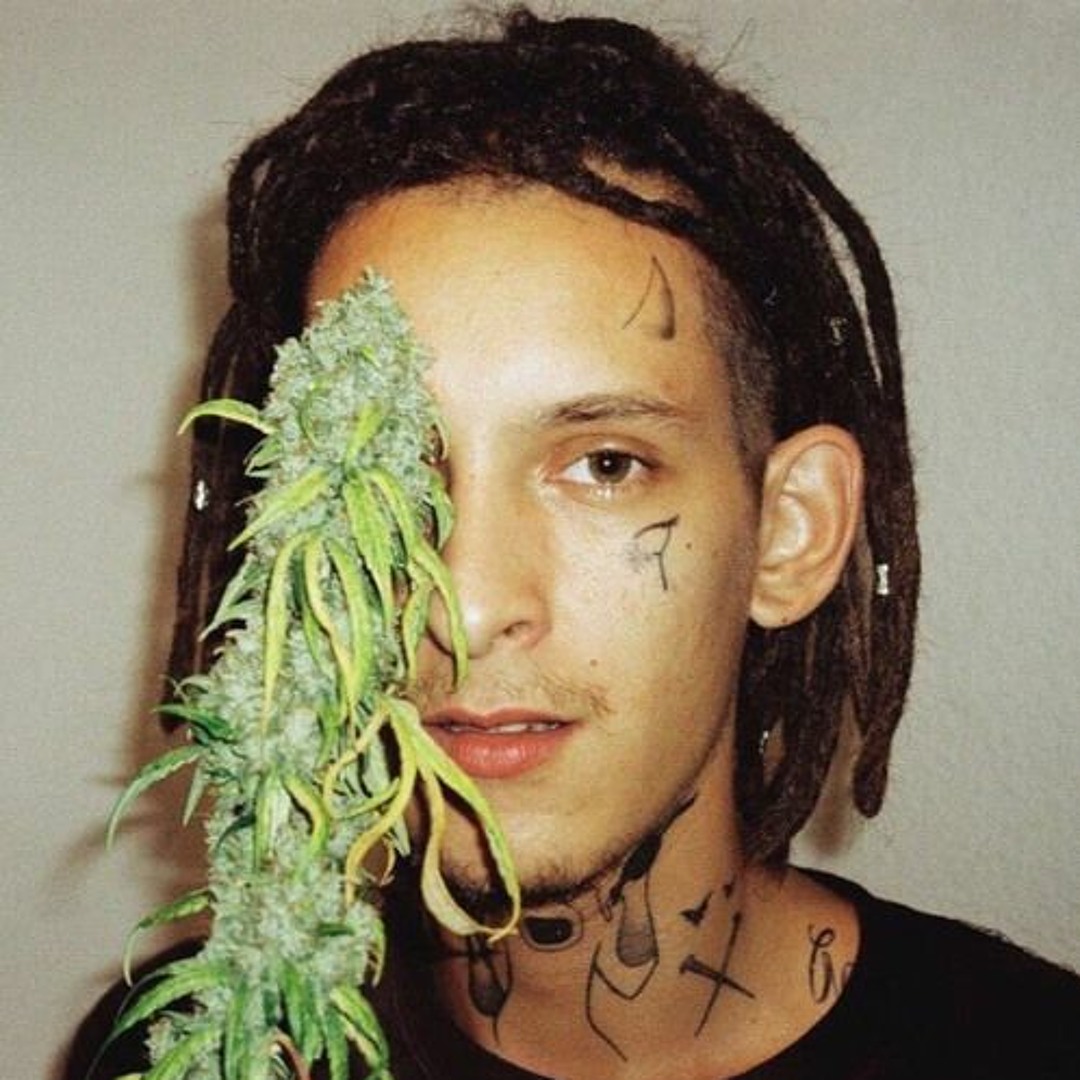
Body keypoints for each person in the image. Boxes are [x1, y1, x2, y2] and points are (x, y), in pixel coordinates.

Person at [68, 8, 1079, 1080]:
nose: (460, 607)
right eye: (383, 474)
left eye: (605, 463)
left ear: (789, 531)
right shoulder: (186, 1052)